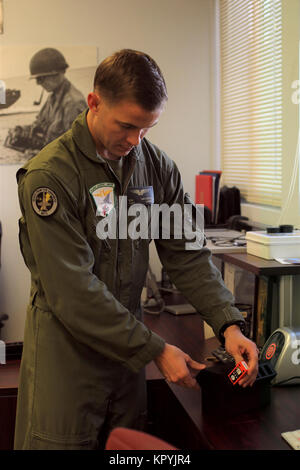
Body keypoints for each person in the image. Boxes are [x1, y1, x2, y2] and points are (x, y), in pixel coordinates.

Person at [14, 49, 258, 450]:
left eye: (147, 128)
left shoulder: (155, 166)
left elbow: (186, 252)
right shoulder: (50, 176)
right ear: (94, 103)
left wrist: (228, 324)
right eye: (126, 126)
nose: (135, 141)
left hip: (128, 361)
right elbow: (72, 291)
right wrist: (156, 348)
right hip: (67, 359)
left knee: (126, 449)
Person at [5, 48, 87, 156]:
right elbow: (39, 125)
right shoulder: (53, 97)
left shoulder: (73, 103)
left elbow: (74, 150)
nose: (38, 84)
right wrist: (21, 131)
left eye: (40, 79)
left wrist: (37, 154)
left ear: (55, 74)